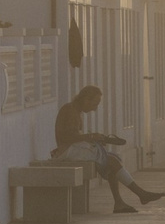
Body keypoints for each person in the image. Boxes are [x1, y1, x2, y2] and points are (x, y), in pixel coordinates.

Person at [52, 84, 158, 213]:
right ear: (86, 99)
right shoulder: (69, 110)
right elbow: (66, 136)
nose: (95, 108)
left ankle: (120, 202)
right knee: (112, 161)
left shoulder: (75, 110)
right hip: (67, 151)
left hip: (72, 149)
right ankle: (140, 194)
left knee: (111, 161)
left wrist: (93, 139)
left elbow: (74, 136)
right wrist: (90, 136)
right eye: (94, 104)